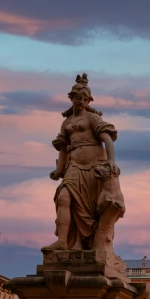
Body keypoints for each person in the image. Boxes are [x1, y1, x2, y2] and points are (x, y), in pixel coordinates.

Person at [46, 73, 124, 252]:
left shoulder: (92, 118)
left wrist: (111, 161)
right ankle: (63, 241)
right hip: (73, 167)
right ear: (71, 98)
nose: (81, 102)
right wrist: (59, 170)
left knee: (89, 211)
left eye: (85, 99)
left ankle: (84, 243)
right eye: (78, 98)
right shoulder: (66, 123)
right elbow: (64, 147)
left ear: (88, 101)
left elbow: (107, 139)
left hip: (94, 168)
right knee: (63, 197)